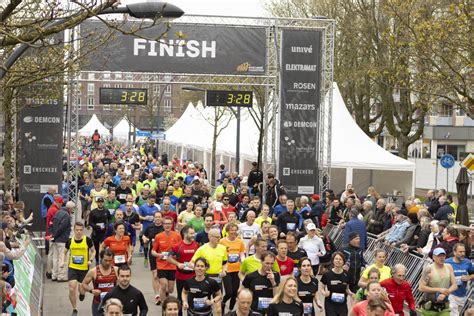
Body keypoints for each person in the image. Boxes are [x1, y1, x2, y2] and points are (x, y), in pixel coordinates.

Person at [60, 222, 95, 316]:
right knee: (72, 288)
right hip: (73, 267)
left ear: (83, 230)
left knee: (82, 289)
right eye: (77, 230)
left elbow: (93, 251)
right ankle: (75, 308)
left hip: (84, 269)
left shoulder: (87, 240)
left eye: (80, 230)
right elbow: (64, 252)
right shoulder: (70, 241)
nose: (79, 232)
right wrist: (62, 261)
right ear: (74, 230)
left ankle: (82, 293)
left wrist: (90, 260)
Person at [167, 225, 200, 311]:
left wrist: (196, 265)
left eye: (194, 233)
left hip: (193, 276)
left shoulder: (197, 245)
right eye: (191, 233)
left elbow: (202, 258)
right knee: (180, 297)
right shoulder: (178, 246)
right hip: (181, 276)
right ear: (185, 234)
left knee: (193, 297)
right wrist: (178, 264)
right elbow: (168, 258)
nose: (193, 235)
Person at [151, 216, 182, 305]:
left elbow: (180, 248)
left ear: (172, 225)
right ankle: (165, 305)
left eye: (169, 223)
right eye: (165, 224)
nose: (167, 225)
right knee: (163, 284)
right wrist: (158, 255)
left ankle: (165, 293)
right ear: (163, 225)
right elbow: (153, 251)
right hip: (161, 264)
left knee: (171, 289)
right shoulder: (158, 236)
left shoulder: (177, 235)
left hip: (172, 264)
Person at [419, 247, 458, 316]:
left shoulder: (449, 267)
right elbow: (421, 287)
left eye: (443, 255)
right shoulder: (428, 269)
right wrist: (439, 290)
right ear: (433, 257)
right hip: (430, 306)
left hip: (444, 305)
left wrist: (444, 293)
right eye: (439, 256)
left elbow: (454, 285)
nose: (441, 258)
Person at [81, 249, 119, 316]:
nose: (108, 263)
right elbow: (83, 284)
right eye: (105, 260)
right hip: (98, 303)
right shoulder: (93, 271)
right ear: (101, 259)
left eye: (110, 261)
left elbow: (121, 285)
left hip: (113, 304)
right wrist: (91, 291)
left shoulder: (116, 270)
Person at [219, 223, 246, 312]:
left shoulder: (240, 241)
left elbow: (242, 254)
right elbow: (220, 254)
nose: (233, 232)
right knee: (229, 292)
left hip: (237, 269)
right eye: (231, 230)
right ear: (227, 231)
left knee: (235, 292)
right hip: (227, 270)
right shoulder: (222, 242)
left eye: (235, 230)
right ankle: (223, 302)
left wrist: (243, 260)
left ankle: (230, 309)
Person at [320, 251, 354, 316]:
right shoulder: (327, 274)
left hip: (342, 304)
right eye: (336, 259)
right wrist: (324, 293)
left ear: (343, 262)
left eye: (340, 259)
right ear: (333, 261)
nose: (338, 261)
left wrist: (351, 294)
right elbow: (322, 287)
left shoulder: (346, 274)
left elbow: (347, 289)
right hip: (330, 304)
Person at [445, 243, 474, 315]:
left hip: (462, 295)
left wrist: (468, 277)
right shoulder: (447, 262)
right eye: (460, 252)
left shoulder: (467, 262)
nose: (463, 254)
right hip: (450, 294)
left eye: (464, 252)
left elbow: (472, 274)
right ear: (454, 252)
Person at [142, 211, 164, 302]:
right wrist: (145, 239)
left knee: (162, 276)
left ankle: (163, 292)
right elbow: (144, 235)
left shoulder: (164, 228)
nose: (158, 218)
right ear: (154, 218)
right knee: (155, 275)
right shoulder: (150, 228)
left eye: (159, 217)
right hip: (153, 254)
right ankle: (157, 295)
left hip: (163, 255)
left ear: (162, 218)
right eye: (156, 217)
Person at [50, 201, 74, 282]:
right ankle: (61, 276)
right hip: (62, 240)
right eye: (72, 209)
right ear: (70, 209)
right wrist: (56, 235)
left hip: (55, 240)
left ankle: (54, 275)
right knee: (63, 258)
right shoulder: (66, 216)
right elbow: (62, 227)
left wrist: (53, 235)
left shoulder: (57, 212)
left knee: (55, 258)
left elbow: (51, 224)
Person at [90, 197, 112, 265]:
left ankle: (103, 259)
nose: (100, 203)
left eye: (102, 202)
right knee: (96, 248)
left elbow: (110, 220)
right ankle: (97, 260)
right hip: (95, 233)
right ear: (97, 203)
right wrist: (96, 227)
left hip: (103, 233)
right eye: (99, 202)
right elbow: (90, 222)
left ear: (103, 203)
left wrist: (106, 226)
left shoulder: (106, 211)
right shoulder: (93, 212)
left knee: (104, 247)